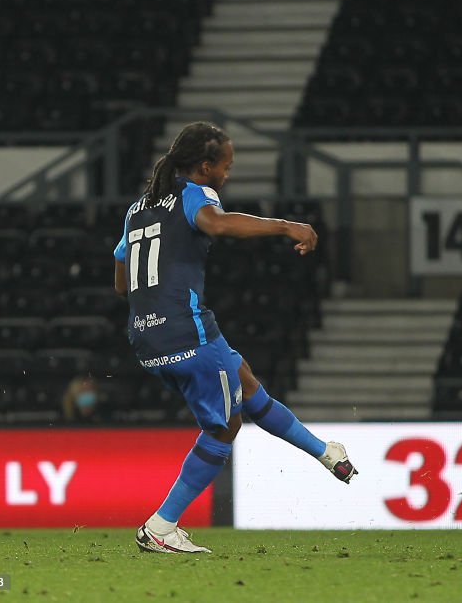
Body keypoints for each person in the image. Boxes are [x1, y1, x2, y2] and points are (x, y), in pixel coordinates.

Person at [113, 121, 357, 554]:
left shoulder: (138, 209)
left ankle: (325, 453)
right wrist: (286, 226)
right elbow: (217, 225)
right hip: (187, 329)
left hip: (145, 336)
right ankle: (162, 525)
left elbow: (121, 281)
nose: (227, 175)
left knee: (244, 382)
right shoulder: (195, 194)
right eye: (225, 166)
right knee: (225, 427)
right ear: (205, 167)